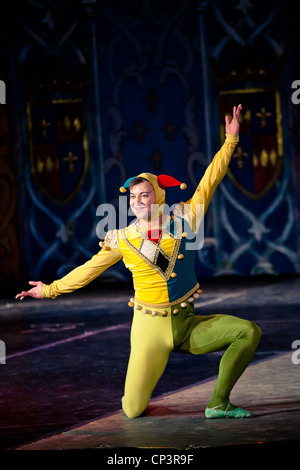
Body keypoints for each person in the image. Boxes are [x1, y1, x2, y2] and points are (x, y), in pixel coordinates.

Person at [16, 104, 261, 419]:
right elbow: (88, 271)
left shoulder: (185, 217)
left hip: (185, 325)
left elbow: (209, 180)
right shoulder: (122, 238)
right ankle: (139, 392)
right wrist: (48, 290)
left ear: (157, 197)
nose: (137, 201)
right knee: (132, 410)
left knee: (248, 332)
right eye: (132, 198)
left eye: (144, 195)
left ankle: (218, 402)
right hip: (149, 330)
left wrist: (230, 141)